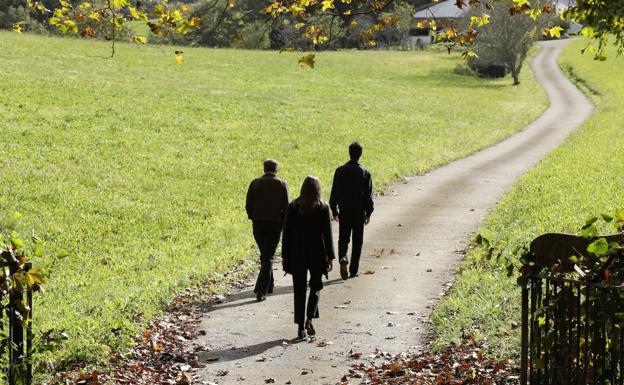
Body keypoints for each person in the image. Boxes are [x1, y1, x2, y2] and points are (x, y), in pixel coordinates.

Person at [282, 176, 335, 339]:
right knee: (316, 286)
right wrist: (330, 256)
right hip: (317, 253)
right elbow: (327, 234)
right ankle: (309, 319)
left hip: (297, 253)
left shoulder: (293, 207)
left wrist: (285, 255)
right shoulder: (323, 208)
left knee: (299, 290)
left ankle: (300, 327)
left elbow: (287, 234)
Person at [246, 159, 289, 302]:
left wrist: (253, 217)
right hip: (274, 224)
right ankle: (261, 290)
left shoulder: (255, 183)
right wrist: (283, 222)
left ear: (264, 169)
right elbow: (286, 206)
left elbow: (248, 204)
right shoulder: (282, 184)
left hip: (258, 223)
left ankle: (269, 285)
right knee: (268, 256)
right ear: (276, 169)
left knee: (265, 255)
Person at [329, 142, 374, 280]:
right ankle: (353, 269)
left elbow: (334, 192)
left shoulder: (340, 171)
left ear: (349, 152)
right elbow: (368, 195)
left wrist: (334, 210)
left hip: (344, 210)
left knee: (343, 238)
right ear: (360, 154)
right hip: (359, 212)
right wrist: (368, 212)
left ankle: (343, 256)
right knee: (357, 240)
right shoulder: (365, 172)